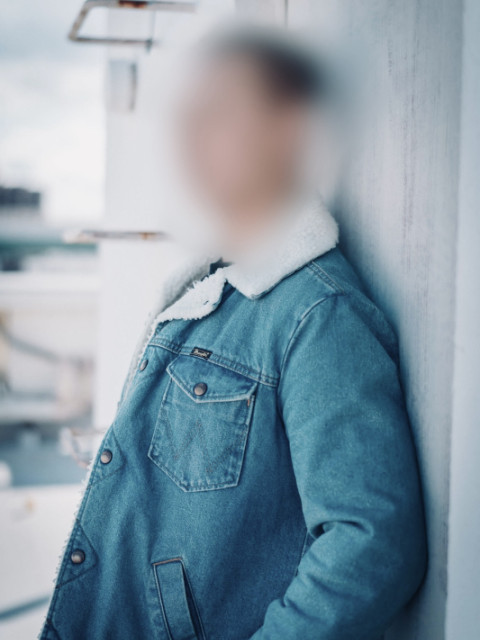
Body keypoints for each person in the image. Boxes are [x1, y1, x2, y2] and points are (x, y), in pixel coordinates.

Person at [41, 25, 427, 640]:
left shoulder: (318, 315)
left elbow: (371, 544)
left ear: (289, 128)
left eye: (220, 113)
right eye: (190, 115)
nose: (192, 137)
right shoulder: (207, 285)